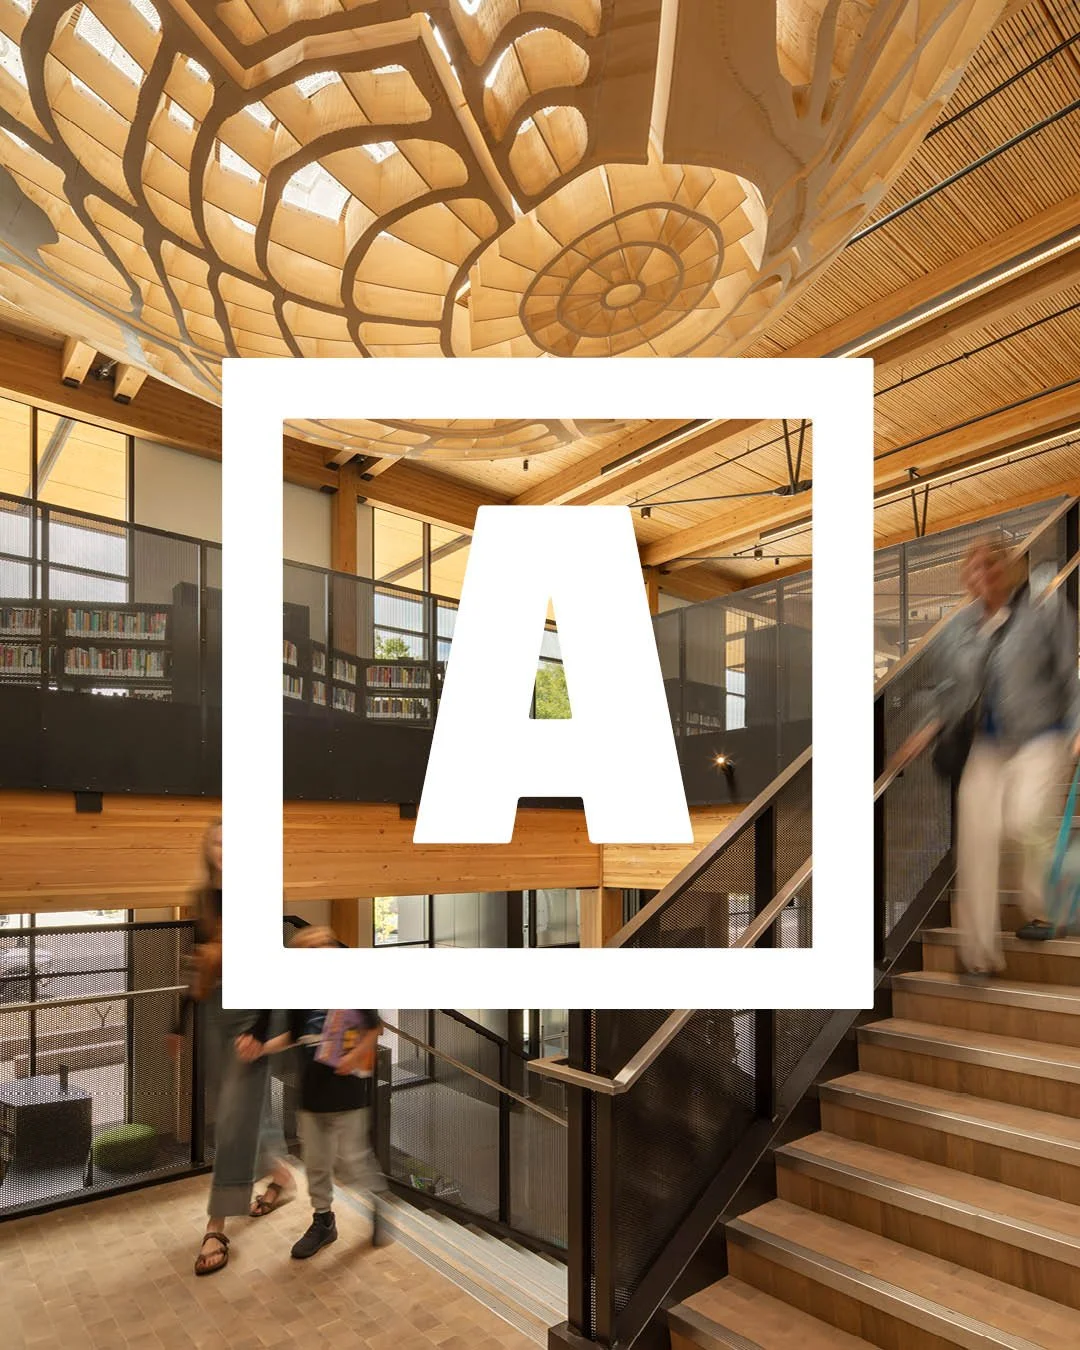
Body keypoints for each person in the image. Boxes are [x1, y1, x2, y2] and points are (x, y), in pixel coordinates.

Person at [893, 538, 1080, 974]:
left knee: (1024, 818)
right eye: (974, 567)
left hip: (1043, 734)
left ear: (1011, 566)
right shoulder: (960, 629)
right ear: (966, 577)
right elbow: (948, 690)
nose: (984, 572)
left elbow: (1070, 674)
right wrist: (926, 729)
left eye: (992, 563)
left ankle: (1046, 904)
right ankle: (977, 953)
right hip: (987, 742)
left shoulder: (1045, 610)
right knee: (975, 835)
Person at [166, 819, 295, 1275]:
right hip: (214, 1009)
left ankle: (216, 1224)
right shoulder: (203, 896)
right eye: (216, 842)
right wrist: (178, 1021)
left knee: (234, 1121)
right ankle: (281, 1176)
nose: (222, 849)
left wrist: (261, 1032)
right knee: (237, 1110)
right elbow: (198, 962)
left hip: (252, 1012)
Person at [236, 926, 388, 1259]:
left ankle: (379, 1204)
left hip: (348, 1091)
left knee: (352, 1161)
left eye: (323, 947)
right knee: (317, 1164)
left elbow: (373, 1027)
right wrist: (261, 1049)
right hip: (312, 1092)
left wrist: (352, 1056)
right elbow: (291, 1035)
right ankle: (323, 1222)